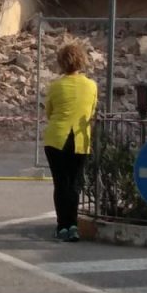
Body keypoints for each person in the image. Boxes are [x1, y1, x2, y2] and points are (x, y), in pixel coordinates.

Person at [43, 40, 97, 242]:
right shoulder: (91, 86)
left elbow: (49, 112)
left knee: (61, 183)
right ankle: (73, 225)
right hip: (81, 139)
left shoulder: (55, 86)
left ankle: (62, 226)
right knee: (75, 183)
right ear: (82, 61)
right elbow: (91, 111)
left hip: (57, 138)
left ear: (61, 63)